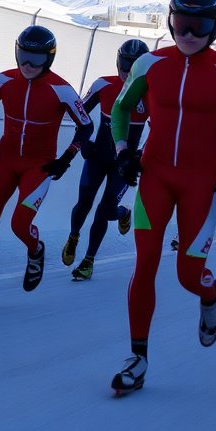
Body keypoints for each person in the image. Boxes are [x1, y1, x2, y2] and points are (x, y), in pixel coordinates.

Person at [108, 0, 216, 395]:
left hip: (201, 184)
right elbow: (121, 108)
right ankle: (138, 357)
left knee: (186, 275)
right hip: (156, 176)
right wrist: (124, 149)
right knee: (145, 263)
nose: (188, 34)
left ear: (214, 28)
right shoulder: (149, 64)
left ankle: (210, 290)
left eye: (198, 26)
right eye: (181, 24)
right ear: (170, 21)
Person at [0, 26, 94, 310]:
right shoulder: (3, 80)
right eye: (24, 56)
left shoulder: (62, 90)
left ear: (50, 59)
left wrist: (67, 157)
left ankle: (36, 249)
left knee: (19, 224)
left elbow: (86, 126)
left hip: (39, 165)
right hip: (4, 162)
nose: (28, 65)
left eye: (37, 58)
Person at [62, 39, 150, 281]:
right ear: (117, 62)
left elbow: (160, 129)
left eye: (134, 68)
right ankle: (74, 235)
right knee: (84, 203)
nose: (127, 72)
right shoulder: (103, 84)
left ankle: (117, 218)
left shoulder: (151, 92)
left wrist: (141, 155)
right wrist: (83, 143)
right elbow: (80, 115)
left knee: (106, 210)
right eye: (124, 65)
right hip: (99, 155)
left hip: (124, 163)